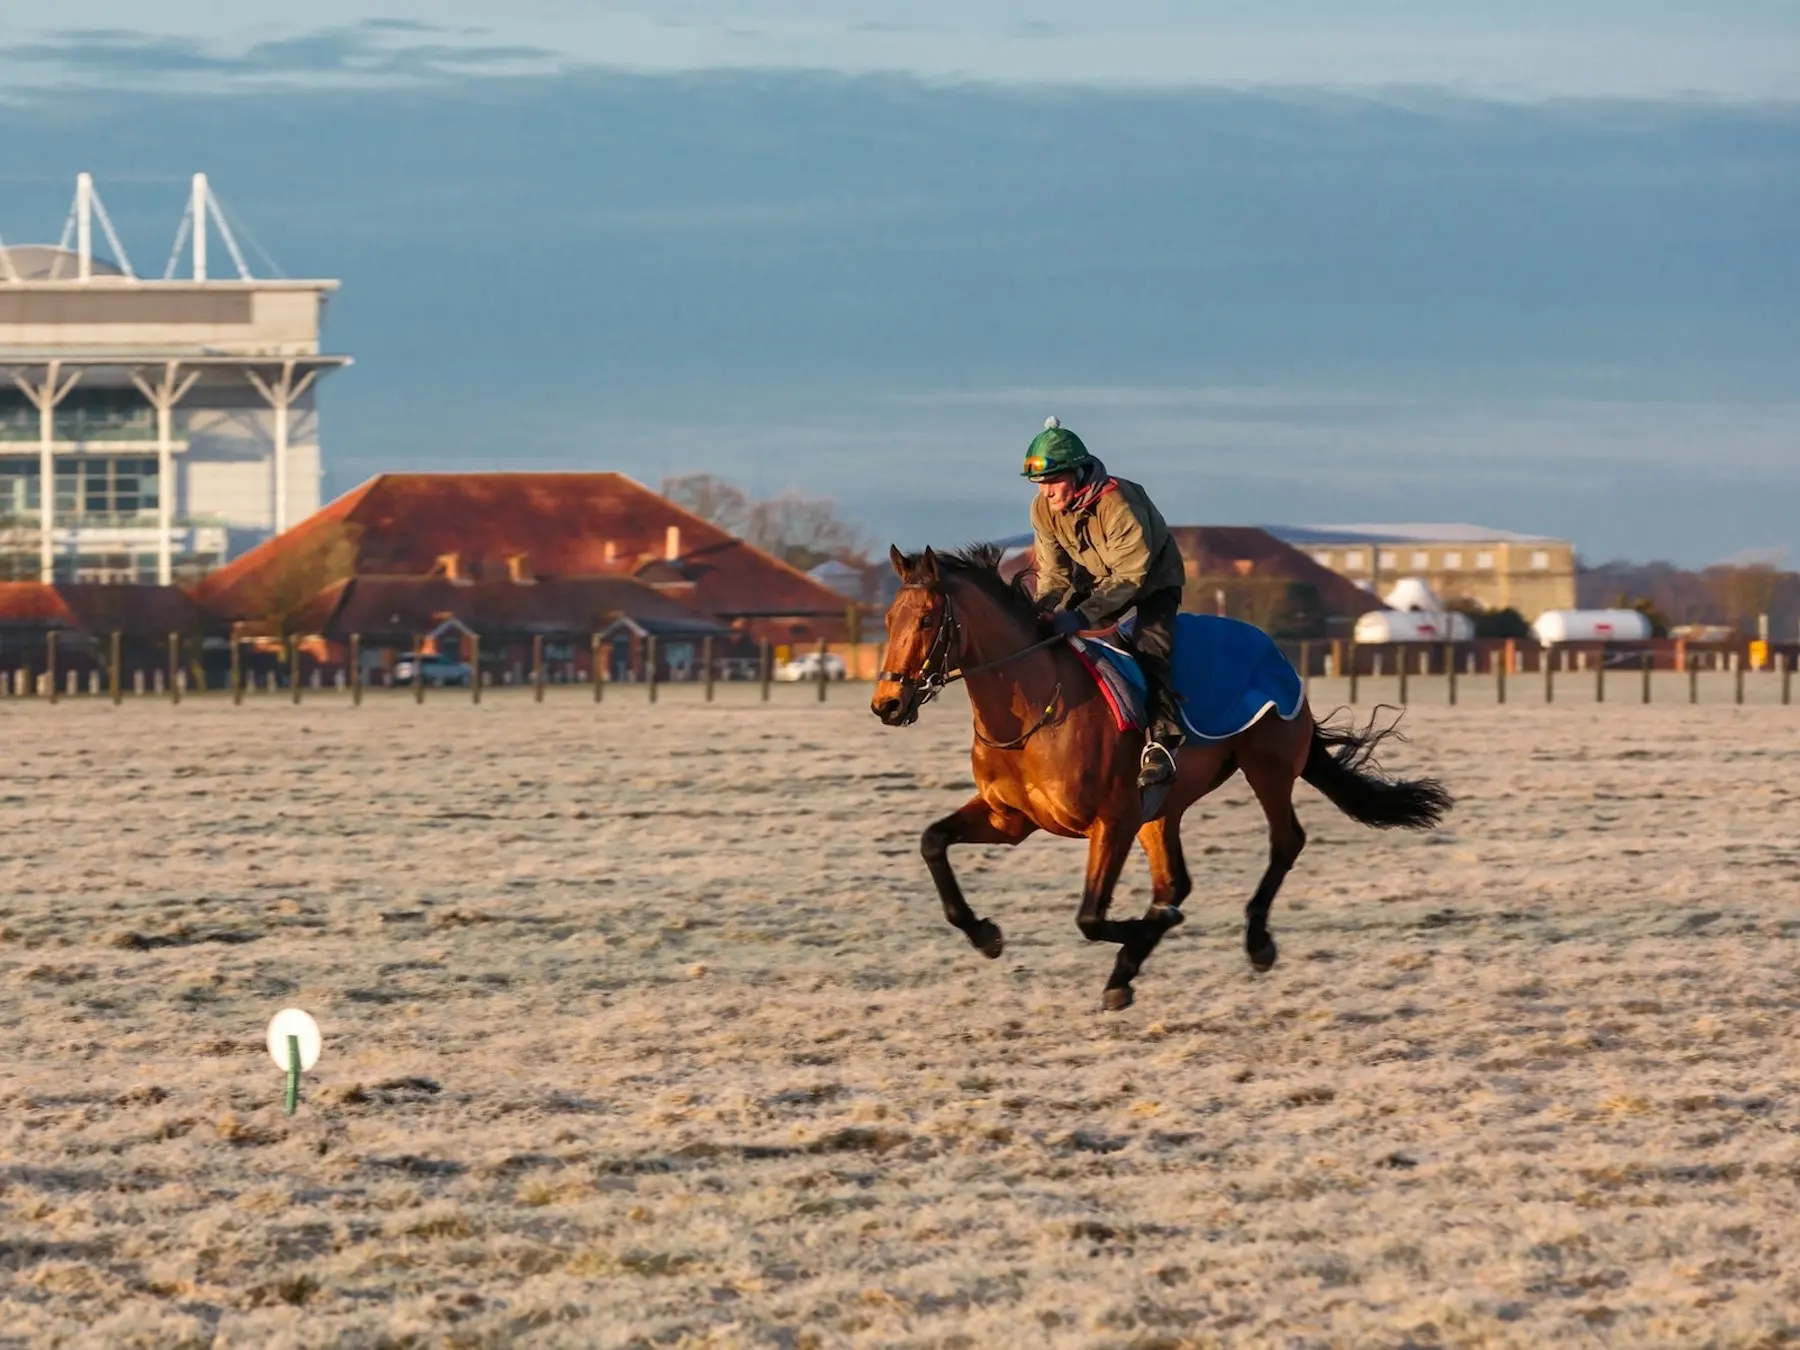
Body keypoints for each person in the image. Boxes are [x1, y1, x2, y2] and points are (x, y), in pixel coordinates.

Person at [1022, 417, 1189, 789]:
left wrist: (1082, 614)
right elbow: (1054, 574)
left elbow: (1131, 575)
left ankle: (1163, 741)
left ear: (1078, 473)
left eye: (1052, 482)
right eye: (1039, 485)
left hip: (1152, 581)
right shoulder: (1042, 509)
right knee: (1051, 633)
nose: (1046, 493)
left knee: (1150, 647)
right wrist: (1042, 610)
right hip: (1098, 579)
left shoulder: (1118, 503)